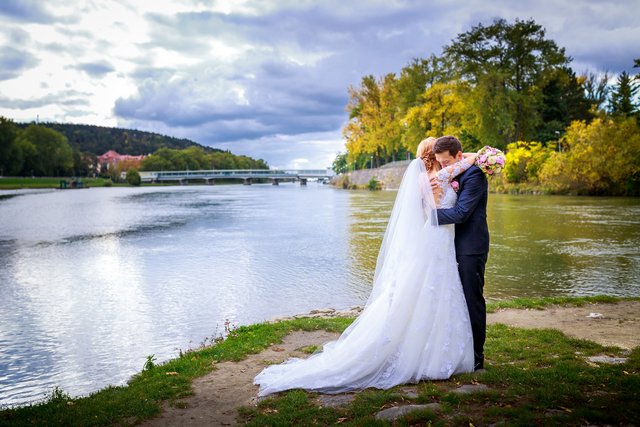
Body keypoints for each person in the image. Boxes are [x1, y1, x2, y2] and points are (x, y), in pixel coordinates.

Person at [253, 137, 479, 397]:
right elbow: (460, 166)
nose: (445, 159)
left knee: (440, 292)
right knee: (433, 290)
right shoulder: (432, 178)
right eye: (440, 154)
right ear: (433, 155)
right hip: (436, 239)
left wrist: (474, 157)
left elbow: (459, 161)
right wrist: (477, 157)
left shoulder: (438, 173)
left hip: (441, 239)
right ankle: (431, 356)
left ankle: (440, 351)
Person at [432, 135, 489, 371]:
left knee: (472, 301)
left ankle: (477, 357)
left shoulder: (474, 175)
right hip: (452, 246)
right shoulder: (456, 173)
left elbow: (462, 213)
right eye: (440, 163)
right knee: (455, 301)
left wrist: (427, 218)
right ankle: (459, 350)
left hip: (470, 248)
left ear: (458, 155)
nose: (444, 167)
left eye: (446, 162)